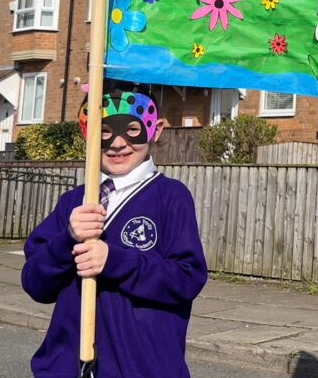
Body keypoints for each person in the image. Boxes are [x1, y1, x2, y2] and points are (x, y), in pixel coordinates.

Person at [21, 88, 207, 378]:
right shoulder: (74, 203)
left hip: (141, 368)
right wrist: (67, 240)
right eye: (104, 131)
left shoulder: (171, 197)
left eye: (132, 129)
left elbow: (186, 278)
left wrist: (114, 261)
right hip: (67, 367)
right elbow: (35, 283)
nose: (118, 143)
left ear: (154, 130)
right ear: (87, 133)